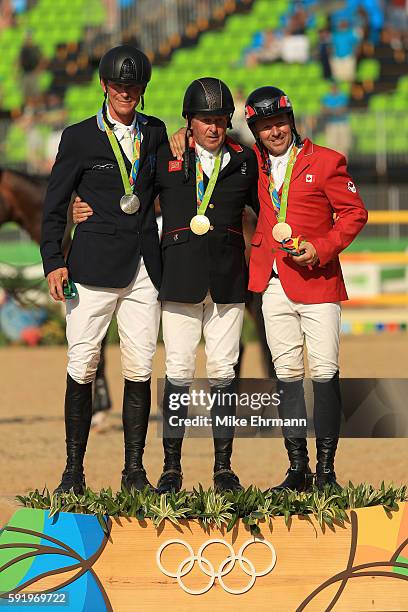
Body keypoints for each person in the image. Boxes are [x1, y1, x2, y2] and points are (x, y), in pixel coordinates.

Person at [73, 77, 259, 494]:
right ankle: (171, 468)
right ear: (188, 122)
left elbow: (267, 209)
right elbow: (126, 188)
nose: (213, 128)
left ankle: (223, 469)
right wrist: (80, 204)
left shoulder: (246, 161)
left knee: (223, 372)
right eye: (203, 120)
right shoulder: (164, 155)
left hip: (228, 283)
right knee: (177, 372)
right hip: (178, 281)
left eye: (219, 120)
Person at [40, 45, 167, 494]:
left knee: (139, 366)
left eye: (133, 86)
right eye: (119, 85)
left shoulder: (155, 131)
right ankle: (73, 472)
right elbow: (55, 205)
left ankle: (134, 471)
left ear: (142, 89)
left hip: (143, 268)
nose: (126, 92)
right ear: (104, 86)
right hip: (90, 268)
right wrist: (54, 261)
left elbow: (164, 184)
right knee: (83, 363)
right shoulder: (78, 137)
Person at [244, 86, 368, 490]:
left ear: (291, 121)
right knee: (287, 375)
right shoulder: (253, 166)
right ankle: (298, 468)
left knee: (326, 372)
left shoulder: (327, 161)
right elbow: (212, 145)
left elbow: (354, 213)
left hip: (318, 280)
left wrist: (321, 248)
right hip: (272, 282)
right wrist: (183, 134)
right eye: (264, 126)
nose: (274, 132)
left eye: (279, 122)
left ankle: (327, 471)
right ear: (255, 131)